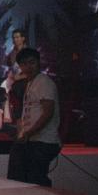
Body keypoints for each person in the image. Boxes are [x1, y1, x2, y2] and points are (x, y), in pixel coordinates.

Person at [7, 48, 61, 186]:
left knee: (35, 180)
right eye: (24, 64)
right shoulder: (31, 83)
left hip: (43, 142)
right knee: (21, 177)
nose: (28, 67)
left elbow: (48, 112)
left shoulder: (44, 82)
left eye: (32, 62)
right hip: (32, 140)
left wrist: (29, 133)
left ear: (38, 63)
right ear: (20, 66)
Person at [4, 29, 28, 126]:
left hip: (26, 83)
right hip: (15, 85)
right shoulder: (12, 53)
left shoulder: (28, 52)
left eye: (18, 37)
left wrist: (21, 76)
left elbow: (33, 71)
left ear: (23, 38)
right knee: (17, 111)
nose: (15, 39)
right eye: (14, 37)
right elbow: (11, 68)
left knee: (25, 110)